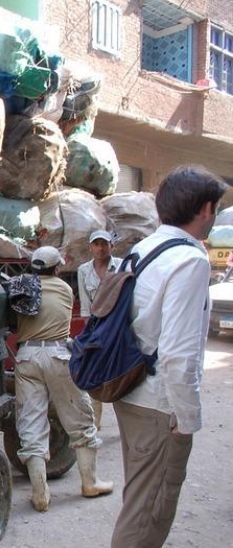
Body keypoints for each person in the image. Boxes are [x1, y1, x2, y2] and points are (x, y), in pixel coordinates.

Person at [111, 166, 227, 548]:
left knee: (138, 500)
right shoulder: (190, 261)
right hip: (159, 405)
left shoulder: (142, 249)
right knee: (148, 517)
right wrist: (187, 421)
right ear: (206, 209)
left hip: (130, 392)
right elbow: (178, 353)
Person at [14, 246, 113, 512]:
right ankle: (90, 483)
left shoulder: (21, 287)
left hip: (26, 357)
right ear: (57, 268)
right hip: (57, 355)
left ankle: (40, 494)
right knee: (80, 420)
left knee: (31, 424)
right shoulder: (64, 289)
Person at [77, 229, 122, 429]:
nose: (100, 248)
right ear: (90, 248)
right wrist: (91, 335)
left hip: (118, 326)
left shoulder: (121, 266)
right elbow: (85, 306)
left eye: (104, 244)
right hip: (96, 328)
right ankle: (95, 424)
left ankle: (124, 422)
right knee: (95, 375)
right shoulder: (83, 270)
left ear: (112, 245)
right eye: (96, 244)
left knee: (120, 375)